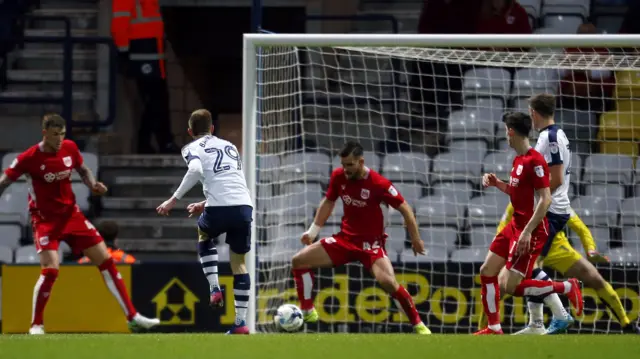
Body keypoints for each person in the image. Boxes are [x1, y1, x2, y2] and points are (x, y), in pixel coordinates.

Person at [0, 113, 159, 335]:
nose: (58, 140)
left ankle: (133, 317)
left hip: (72, 216)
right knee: (51, 270)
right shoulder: (30, 157)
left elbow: (83, 169)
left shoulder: (70, 148)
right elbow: (4, 181)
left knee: (106, 261)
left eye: (62, 135)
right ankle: (36, 325)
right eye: (54, 135)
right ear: (44, 133)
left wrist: (93, 184)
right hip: (45, 221)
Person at [290, 141, 431, 335]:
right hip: (345, 240)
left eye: (350, 165)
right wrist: (312, 232)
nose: (346, 169)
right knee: (299, 261)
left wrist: (415, 239)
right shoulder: (339, 177)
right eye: (343, 164)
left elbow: (405, 209)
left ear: (361, 161)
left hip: (371, 246)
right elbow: (329, 202)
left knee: (389, 283)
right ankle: (307, 310)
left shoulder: (379, 184)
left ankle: (418, 324)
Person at [474, 112, 583, 335]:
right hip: (514, 226)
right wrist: (497, 183)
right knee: (487, 271)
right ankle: (494, 327)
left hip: (530, 231)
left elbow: (545, 199)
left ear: (511, 132)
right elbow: (515, 192)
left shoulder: (536, 161)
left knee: (511, 288)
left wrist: (526, 232)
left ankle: (568, 286)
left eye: (506, 130)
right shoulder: (518, 160)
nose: (505, 135)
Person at [156, 109, 253, 335]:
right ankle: (240, 323)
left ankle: (214, 287)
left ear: (190, 131)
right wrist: (205, 202)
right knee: (239, 263)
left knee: (204, 232)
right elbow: (229, 181)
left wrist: (173, 200)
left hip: (219, 207)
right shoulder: (229, 146)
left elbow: (196, 169)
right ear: (212, 128)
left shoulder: (191, 147)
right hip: (243, 206)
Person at [485, 204, 640, 334]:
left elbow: (580, 228)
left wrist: (591, 250)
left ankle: (626, 324)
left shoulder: (559, 204)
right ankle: (487, 329)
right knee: (498, 289)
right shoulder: (517, 202)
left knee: (595, 278)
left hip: (558, 248)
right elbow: (502, 228)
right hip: (527, 249)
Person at [509, 93, 574, 335]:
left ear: (534, 113)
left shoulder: (550, 137)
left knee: (529, 265)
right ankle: (536, 323)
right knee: (532, 265)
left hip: (550, 209)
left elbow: (554, 179)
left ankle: (560, 313)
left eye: (530, 112)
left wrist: (538, 200)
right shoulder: (559, 134)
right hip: (553, 208)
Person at [111, 0, 177, 154]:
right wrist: (124, 51)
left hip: (152, 53)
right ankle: (161, 142)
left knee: (156, 99)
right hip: (142, 53)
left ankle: (152, 142)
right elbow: (119, 23)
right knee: (155, 99)